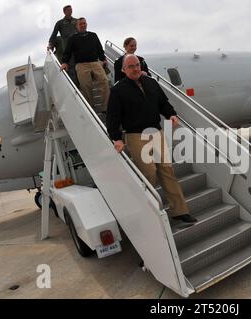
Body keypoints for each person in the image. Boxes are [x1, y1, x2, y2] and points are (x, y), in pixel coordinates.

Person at [107, 54, 197, 225]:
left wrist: (171, 114)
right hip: (135, 136)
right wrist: (116, 138)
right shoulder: (118, 90)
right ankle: (150, 212)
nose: (135, 68)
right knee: (149, 173)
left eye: (137, 65)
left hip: (156, 132)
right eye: (131, 66)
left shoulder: (151, 83)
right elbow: (112, 117)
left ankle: (180, 211)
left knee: (167, 171)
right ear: (123, 70)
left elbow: (163, 102)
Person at [61, 18, 110, 114]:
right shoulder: (73, 38)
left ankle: (106, 107)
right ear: (77, 26)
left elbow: (99, 48)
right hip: (81, 65)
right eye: (80, 24)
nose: (83, 25)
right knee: (85, 85)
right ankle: (90, 108)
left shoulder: (93, 35)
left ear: (86, 24)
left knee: (104, 81)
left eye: (84, 23)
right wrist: (64, 62)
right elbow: (67, 52)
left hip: (95, 62)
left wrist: (103, 58)